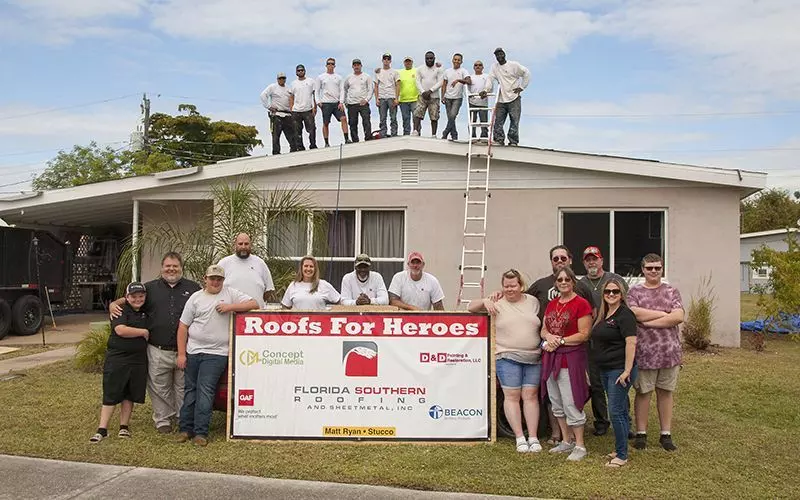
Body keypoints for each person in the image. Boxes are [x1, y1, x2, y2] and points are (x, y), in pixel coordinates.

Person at [110, 252, 201, 434]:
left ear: (181, 267)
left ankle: (182, 418)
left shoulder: (193, 289)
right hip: (157, 348)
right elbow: (130, 299)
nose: (171, 269)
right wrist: (114, 303)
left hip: (185, 349)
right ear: (162, 268)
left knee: (183, 386)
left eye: (175, 266)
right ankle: (163, 420)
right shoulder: (149, 288)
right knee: (160, 387)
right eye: (168, 266)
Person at [176, 265, 258, 446]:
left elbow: (254, 303)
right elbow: (183, 326)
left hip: (217, 353)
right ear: (205, 279)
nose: (215, 282)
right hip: (193, 351)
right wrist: (181, 354)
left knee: (205, 390)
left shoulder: (230, 293)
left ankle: (200, 432)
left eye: (219, 279)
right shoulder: (195, 298)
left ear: (223, 280)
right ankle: (185, 429)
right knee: (190, 391)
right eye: (212, 278)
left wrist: (231, 307)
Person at [468, 269, 542, 453]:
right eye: (506, 286)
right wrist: (485, 300)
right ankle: (519, 437)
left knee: (531, 396)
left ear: (521, 285)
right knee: (512, 397)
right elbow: (470, 307)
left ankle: (533, 437)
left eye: (513, 285)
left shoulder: (533, 302)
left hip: (533, 357)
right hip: (506, 356)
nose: (510, 289)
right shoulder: (496, 303)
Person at [627, 253, 684, 452]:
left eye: (657, 268)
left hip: (669, 353)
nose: (653, 271)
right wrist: (664, 315)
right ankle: (641, 433)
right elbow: (634, 313)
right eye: (649, 268)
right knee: (643, 393)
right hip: (644, 353)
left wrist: (648, 322)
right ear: (643, 269)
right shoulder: (635, 292)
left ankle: (665, 434)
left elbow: (678, 317)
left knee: (665, 392)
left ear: (662, 269)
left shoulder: (671, 291)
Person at [540, 266, 593, 462]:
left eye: (567, 279)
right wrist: (549, 337)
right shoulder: (552, 304)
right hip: (551, 358)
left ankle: (580, 445)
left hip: (570, 359)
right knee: (557, 402)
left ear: (573, 282)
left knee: (571, 401)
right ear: (556, 283)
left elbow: (584, 334)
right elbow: (544, 329)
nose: (563, 282)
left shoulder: (581, 304)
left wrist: (560, 341)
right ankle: (566, 439)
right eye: (560, 280)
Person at [90, 282, 150, 443]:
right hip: (118, 358)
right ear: (127, 297)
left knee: (129, 393)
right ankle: (102, 429)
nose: (138, 299)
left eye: (141, 296)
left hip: (138, 360)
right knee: (112, 392)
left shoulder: (146, 311)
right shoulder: (120, 310)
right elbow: (120, 330)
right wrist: (143, 332)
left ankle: (124, 426)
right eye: (134, 296)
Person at [579, 245, 628, 437]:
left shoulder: (614, 280)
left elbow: (626, 306)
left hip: (615, 340)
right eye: (588, 259)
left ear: (602, 261)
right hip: (592, 341)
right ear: (584, 262)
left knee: (618, 381)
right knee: (597, 383)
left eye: (595, 258)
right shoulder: (580, 283)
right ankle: (601, 421)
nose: (592, 262)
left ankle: (626, 421)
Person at [589, 277, 637, 467]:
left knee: (615, 412)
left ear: (622, 294)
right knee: (621, 411)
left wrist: (626, 370)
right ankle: (620, 448)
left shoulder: (625, 315)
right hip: (606, 369)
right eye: (608, 291)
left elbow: (631, 342)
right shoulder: (605, 314)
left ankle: (622, 456)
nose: (611, 294)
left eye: (615, 292)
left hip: (619, 370)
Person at [481, 47, 530, 146]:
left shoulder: (513, 65)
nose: (499, 56)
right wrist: (486, 90)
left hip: (514, 98)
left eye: (500, 54)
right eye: (497, 55)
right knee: (498, 121)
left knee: (514, 121)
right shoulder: (494, 67)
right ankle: (499, 139)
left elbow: (526, 73)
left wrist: (522, 87)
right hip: (501, 99)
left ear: (504, 54)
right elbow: (490, 79)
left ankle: (513, 141)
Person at [217, 232, 275, 308]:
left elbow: (269, 290)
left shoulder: (260, 263)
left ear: (251, 245)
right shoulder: (224, 263)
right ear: (235, 245)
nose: (243, 247)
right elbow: (216, 287)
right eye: (240, 244)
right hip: (231, 315)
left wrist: (258, 301)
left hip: (256, 315)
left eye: (246, 244)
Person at [260, 72, 298, 155]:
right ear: (277, 79)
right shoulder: (272, 87)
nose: (282, 80)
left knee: (291, 135)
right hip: (277, 114)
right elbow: (263, 95)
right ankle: (276, 153)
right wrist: (269, 106)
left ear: (285, 79)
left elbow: (293, 99)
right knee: (276, 136)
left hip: (288, 114)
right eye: (280, 78)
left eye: (283, 78)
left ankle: (294, 151)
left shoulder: (288, 88)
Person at [317, 57, 351, 147]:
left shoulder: (339, 77)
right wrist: (318, 102)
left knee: (343, 118)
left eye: (332, 64)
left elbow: (342, 90)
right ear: (326, 65)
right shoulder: (321, 77)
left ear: (334, 65)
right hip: (326, 103)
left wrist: (341, 102)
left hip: (337, 103)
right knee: (326, 123)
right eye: (329, 63)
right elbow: (317, 91)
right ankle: (326, 142)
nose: (330, 65)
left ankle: (347, 138)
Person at [413, 51, 444, 137]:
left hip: (434, 96)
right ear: (425, 59)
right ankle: (415, 130)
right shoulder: (420, 69)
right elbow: (417, 81)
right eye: (427, 58)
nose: (429, 60)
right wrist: (423, 92)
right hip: (422, 96)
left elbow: (441, 82)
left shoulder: (439, 69)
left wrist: (430, 91)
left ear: (434, 58)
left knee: (434, 116)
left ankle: (434, 134)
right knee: (417, 113)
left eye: (431, 58)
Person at [440, 53, 470, 141]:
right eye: (455, 59)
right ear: (452, 60)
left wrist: (459, 80)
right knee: (450, 118)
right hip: (448, 97)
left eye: (458, 60)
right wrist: (442, 96)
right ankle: (454, 134)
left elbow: (469, 81)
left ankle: (445, 132)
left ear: (461, 61)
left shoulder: (463, 71)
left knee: (453, 115)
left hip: (457, 98)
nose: (456, 61)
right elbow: (444, 84)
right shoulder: (447, 71)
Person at [343, 59, 374, 143]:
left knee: (366, 121)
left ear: (361, 66)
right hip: (351, 104)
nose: (356, 66)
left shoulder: (366, 76)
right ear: (352, 66)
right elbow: (344, 90)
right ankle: (355, 140)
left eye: (358, 65)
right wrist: (345, 101)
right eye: (355, 65)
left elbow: (371, 89)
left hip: (363, 103)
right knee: (352, 124)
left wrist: (367, 99)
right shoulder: (348, 77)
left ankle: (368, 138)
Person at [289, 64, 318, 150]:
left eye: (302, 70)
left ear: (305, 71)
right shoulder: (293, 83)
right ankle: (300, 147)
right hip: (296, 110)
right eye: (299, 70)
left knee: (312, 129)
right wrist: (291, 109)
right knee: (297, 130)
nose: (300, 72)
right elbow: (291, 97)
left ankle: (313, 145)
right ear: (296, 72)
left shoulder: (311, 81)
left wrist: (315, 107)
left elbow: (314, 95)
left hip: (308, 109)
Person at [375, 53, 400, 138]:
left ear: (390, 61)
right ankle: (383, 134)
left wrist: (397, 98)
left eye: (388, 59)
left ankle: (394, 134)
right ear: (382, 60)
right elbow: (376, 86)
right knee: (382, 118)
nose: (386, 60)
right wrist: (376, 99)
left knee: (393, 117)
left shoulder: (394, 72)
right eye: (385, 59)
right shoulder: (378, 72)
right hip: (381, 98)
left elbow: (398, 85)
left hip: (391, 97)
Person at [467, 60, 491, 140]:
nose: (478, 66)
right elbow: (467, 89)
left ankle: (484, 137)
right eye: (476, 65)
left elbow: (489, 86)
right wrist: (469, 95)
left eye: (480, 65)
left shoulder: (487, 76)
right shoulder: (470, 77)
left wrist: (485, 91)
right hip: (472, 102)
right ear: (473, 67)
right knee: (472, 122)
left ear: (483, 67)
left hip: (483, 103)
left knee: (484, 122)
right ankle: (472, 137)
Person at [397, 56, 418, 135]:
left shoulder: (417, 70)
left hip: (415, 99)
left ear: (412, 62)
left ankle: (417, 134)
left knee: (416, 118)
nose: (408, 63)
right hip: (403, 100)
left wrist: (437, 65)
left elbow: (426, 68)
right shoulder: (399, 72)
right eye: (406, 61)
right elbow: (388, 71)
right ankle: (406, 135)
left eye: (409, 61)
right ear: (404, 63)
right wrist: (378, 70)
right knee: (405, 119)